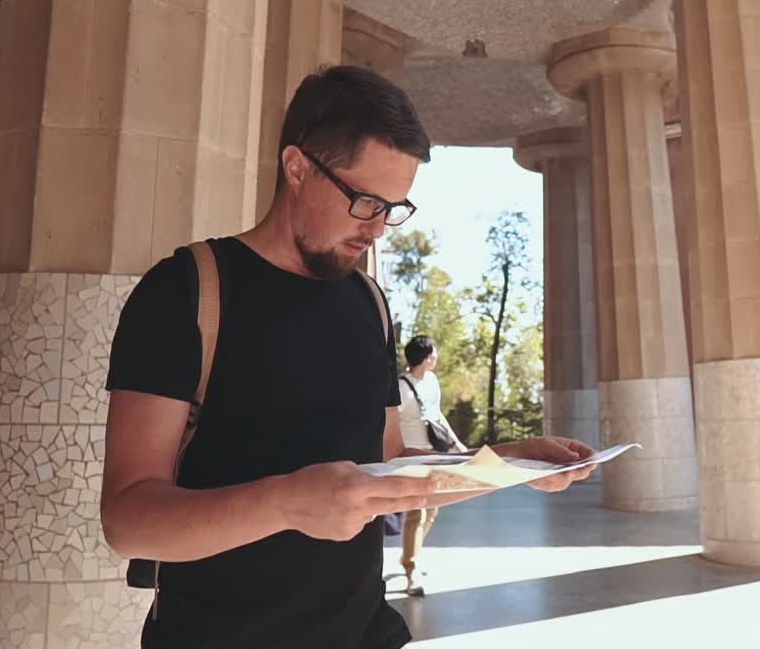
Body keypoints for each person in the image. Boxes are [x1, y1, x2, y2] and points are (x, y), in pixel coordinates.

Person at [100, 65, 595, 649]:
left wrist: (509, 464)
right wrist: (286, 502)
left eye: (395, 207)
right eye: (365, 201)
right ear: (297, 167)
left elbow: (389, 469)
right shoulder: (187, 291)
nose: (380, 229)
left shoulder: (370, 303)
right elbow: (128, 520)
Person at [393, 335, 465, 596]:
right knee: (417, 512)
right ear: (425, 357)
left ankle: (412, 556)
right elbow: (390, 422)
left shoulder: (432, 381)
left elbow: (437, 415)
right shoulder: (400, 387)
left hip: (436, 452)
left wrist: (456, 443)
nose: (437, 356)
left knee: (432, 511)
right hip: (412, 457)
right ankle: (411, 571)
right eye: (434, 352)